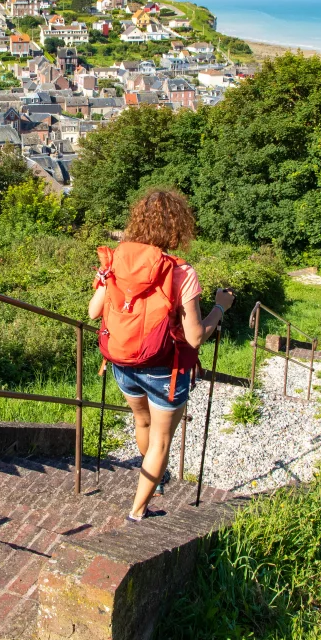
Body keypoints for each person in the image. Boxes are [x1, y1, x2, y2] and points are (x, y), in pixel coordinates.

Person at [88, 188, 234, 521]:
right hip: (164, 369)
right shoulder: (182, 273)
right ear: (177, 228)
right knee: (162, 440)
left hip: (122, 362)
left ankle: (153, 477)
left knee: (142, 421)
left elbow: (94, 312)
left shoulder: (113, 260)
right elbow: (195, 337)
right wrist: (220, 308)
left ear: (137, 220)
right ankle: (138, 511)